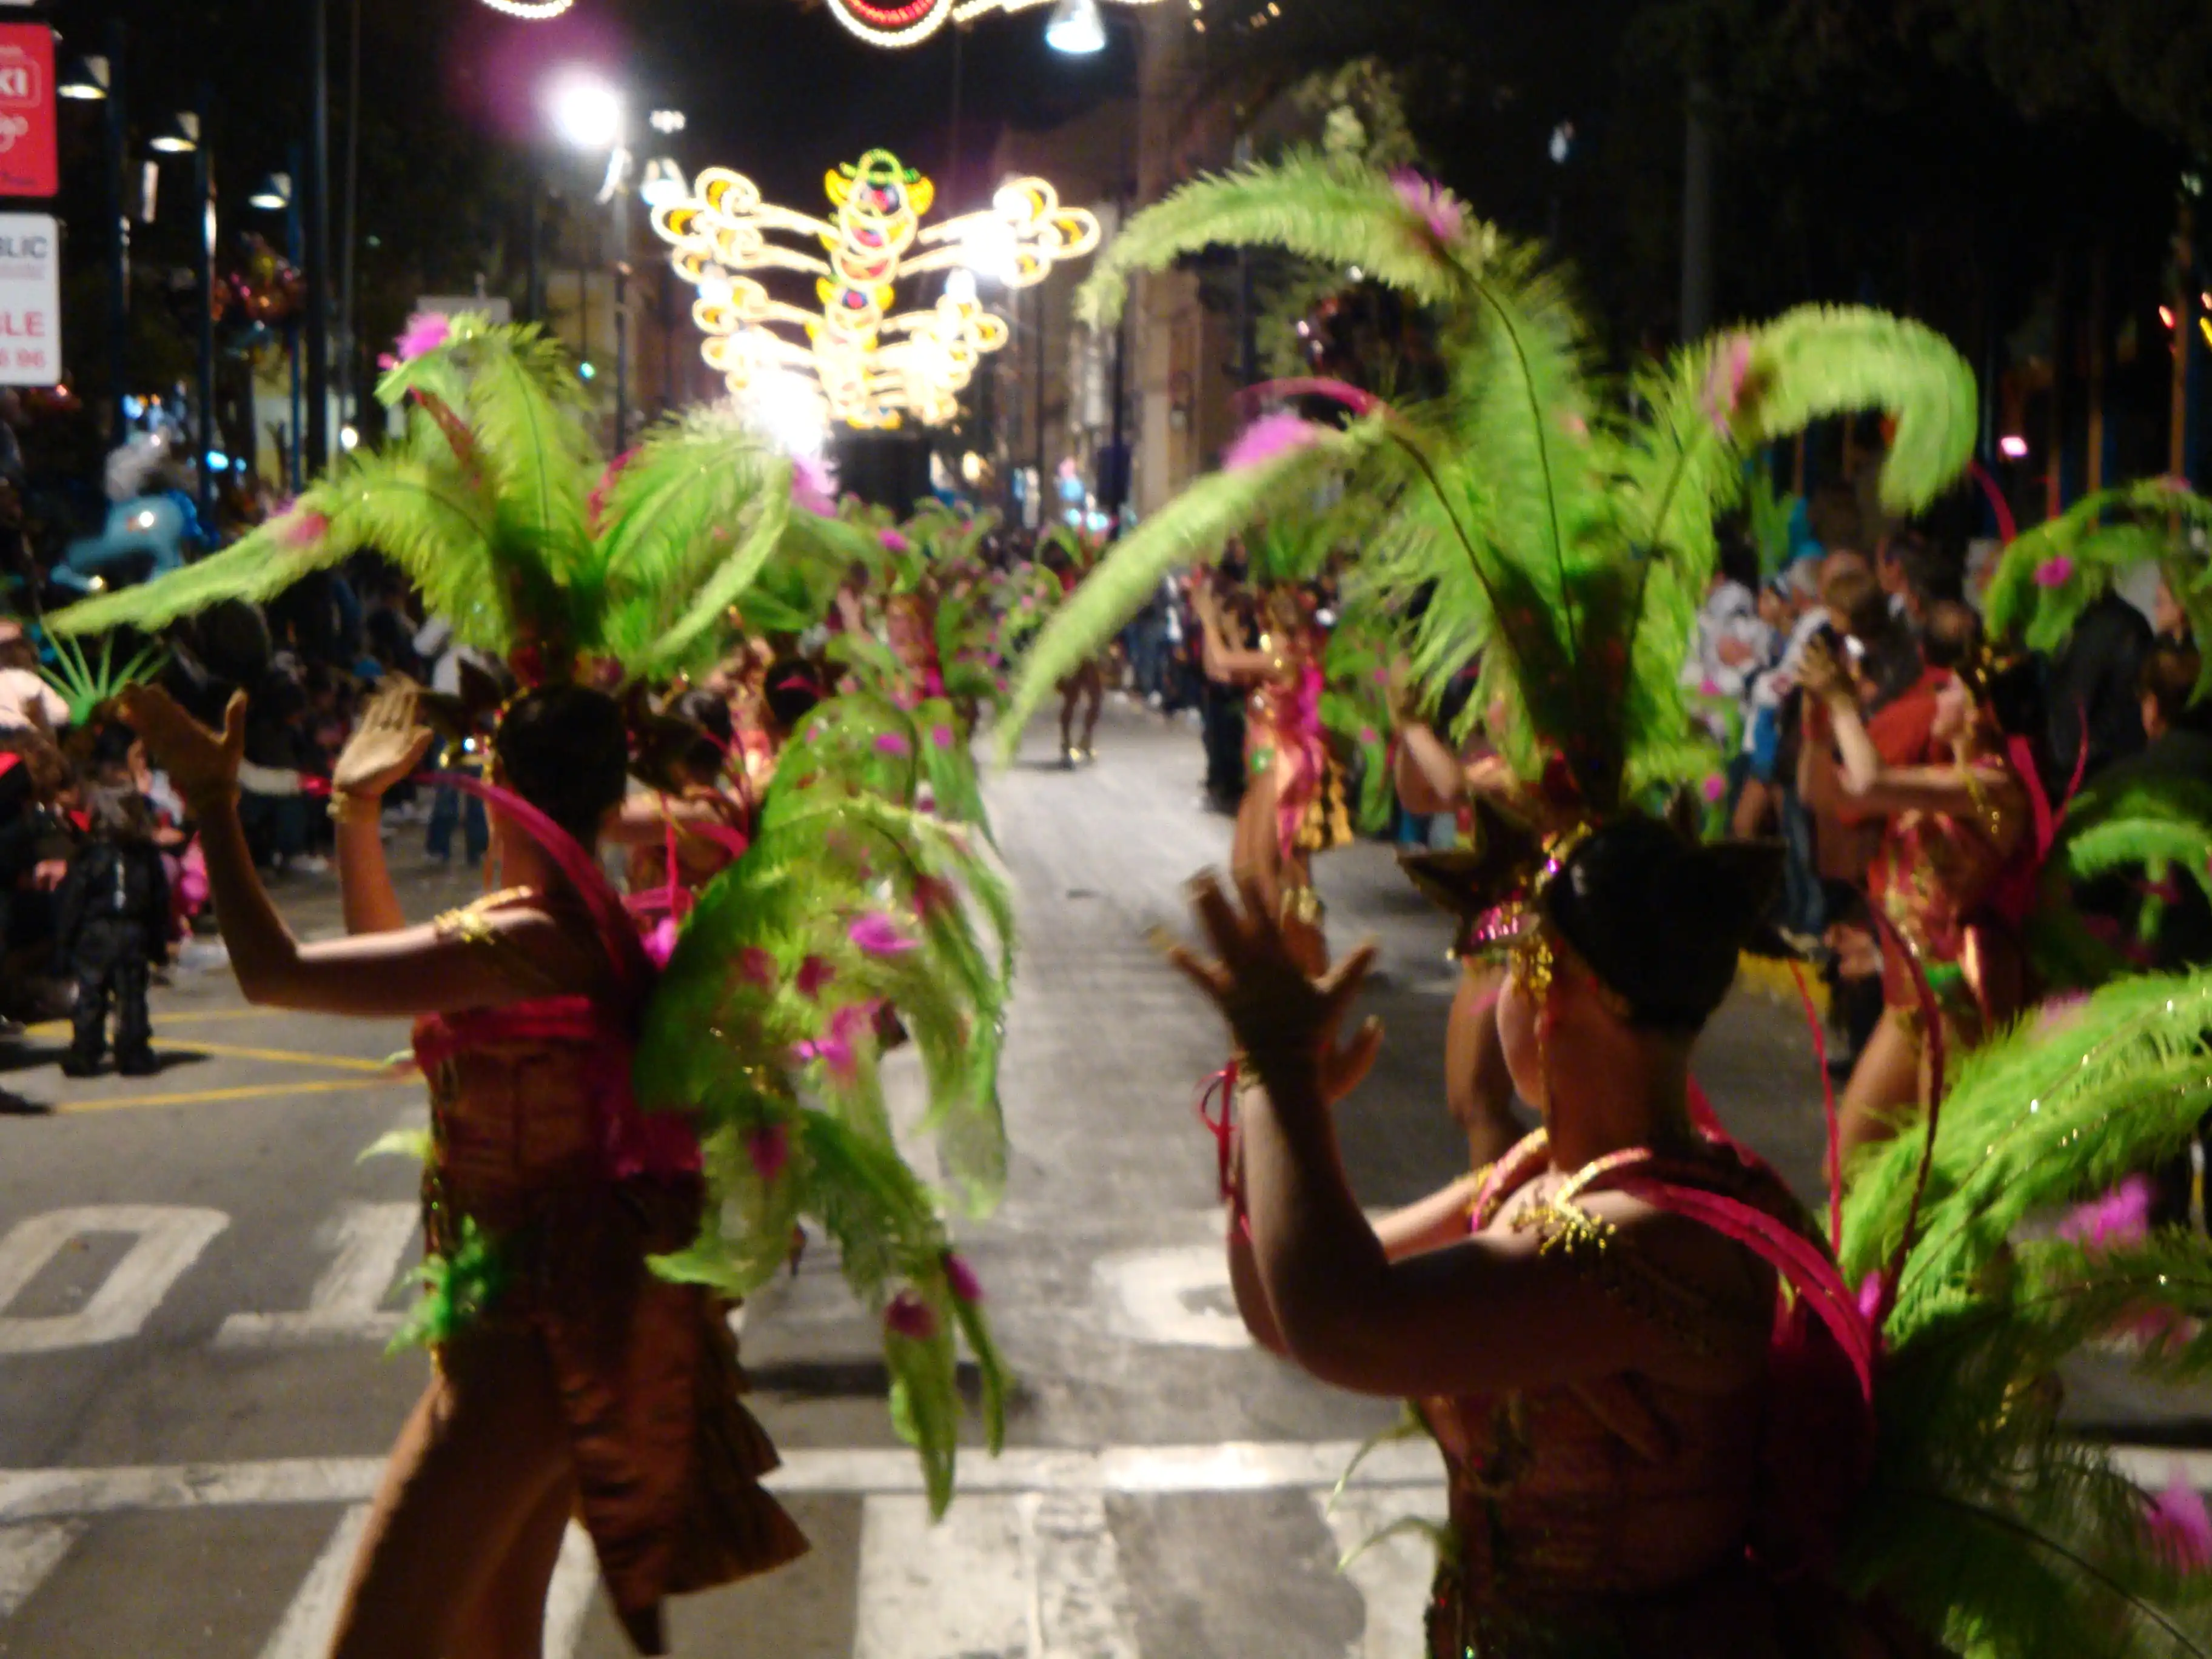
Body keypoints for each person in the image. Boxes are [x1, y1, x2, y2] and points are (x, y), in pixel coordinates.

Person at [132, 677, 806, 1657]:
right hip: (530, 1325)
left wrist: (210, 803)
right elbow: (391, 966)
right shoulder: (559, 922)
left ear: (500, 784)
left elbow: (274, 973)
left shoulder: (531, 940)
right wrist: (353, 811)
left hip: (528, 1344)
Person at [1168, 822, 1817, 1657]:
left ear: (1557, 992)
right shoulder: (1535, 1178)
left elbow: (1344, 1324)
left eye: (1498, 971)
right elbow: (1278, 1307)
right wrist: (1272, 1100)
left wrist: (1281, 1072)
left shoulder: (1662, 1237)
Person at [1798, 602, 2032, 1162]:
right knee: (1847, 1166)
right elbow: (1830, 794)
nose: (1938, 698)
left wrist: (1842, 703)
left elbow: (1871, 781)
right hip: (1907, 1002)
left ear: (1980, 713)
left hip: (1956, 1002)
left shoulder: (1995, 788)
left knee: (1942, 1182)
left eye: (1952, 691)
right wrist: (1815, 726)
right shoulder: (1941, 776)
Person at [55, 783, 169, 1077]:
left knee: (91, 995)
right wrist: (159, 944)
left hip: (96, 933)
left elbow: (73, 901)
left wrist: (64, 945)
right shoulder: (145, 855)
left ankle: (86, 1052)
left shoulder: (90, 855)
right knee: (131, 996)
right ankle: (133, 1053)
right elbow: (158, 903)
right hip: (132, 930)